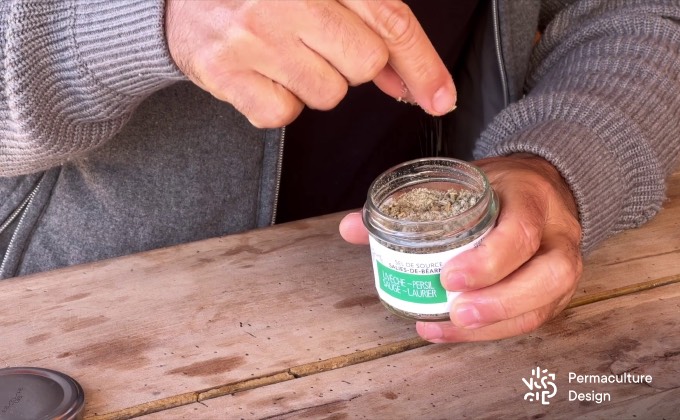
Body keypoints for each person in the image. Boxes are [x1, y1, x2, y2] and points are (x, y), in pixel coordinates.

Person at [1, 1, 679, 345]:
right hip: (91, 331)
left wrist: (561, 157)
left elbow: (642, 12)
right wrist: (146, 19)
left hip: (423, 328)